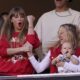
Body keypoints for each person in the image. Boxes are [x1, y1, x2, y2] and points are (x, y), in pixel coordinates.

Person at [0, 7, 40, 75]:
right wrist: (21, 49)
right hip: (5, 72)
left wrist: (30, 23)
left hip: (24, 73)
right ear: (11, 20)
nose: (19, 19)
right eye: (16, 17)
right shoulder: (5, 34)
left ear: (24, 19)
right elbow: (2, 51)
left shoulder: (31, 33)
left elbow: (30, 45)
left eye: (22, 16)